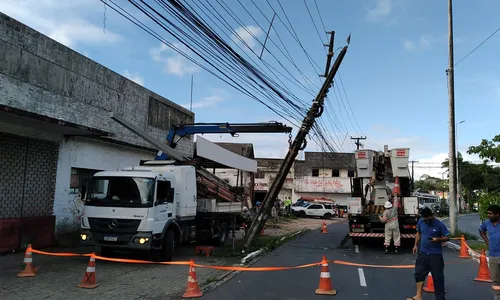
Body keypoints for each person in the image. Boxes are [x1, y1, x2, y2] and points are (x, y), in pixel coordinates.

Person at [407, 207, 450, 300]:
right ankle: (418, 296)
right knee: (418, 274)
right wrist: (415, 245)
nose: (424, 220)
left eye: (426, 218)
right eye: (423, 218)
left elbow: (447, 237)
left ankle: (440, 298)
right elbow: (418, 233)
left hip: (435, 255)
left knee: (438, 278)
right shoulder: (421, 222)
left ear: (431, 216)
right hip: (423, 254)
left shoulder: (439, 224)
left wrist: (438, 239)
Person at [479, 205, 500, 300]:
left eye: (490, 214)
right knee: (496, 280)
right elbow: (481, 230)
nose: (488, 215)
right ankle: (497, 297)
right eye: (488, 213)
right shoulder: (487, 223)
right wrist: (487, 241)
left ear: (497, 214)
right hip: (493, 256)